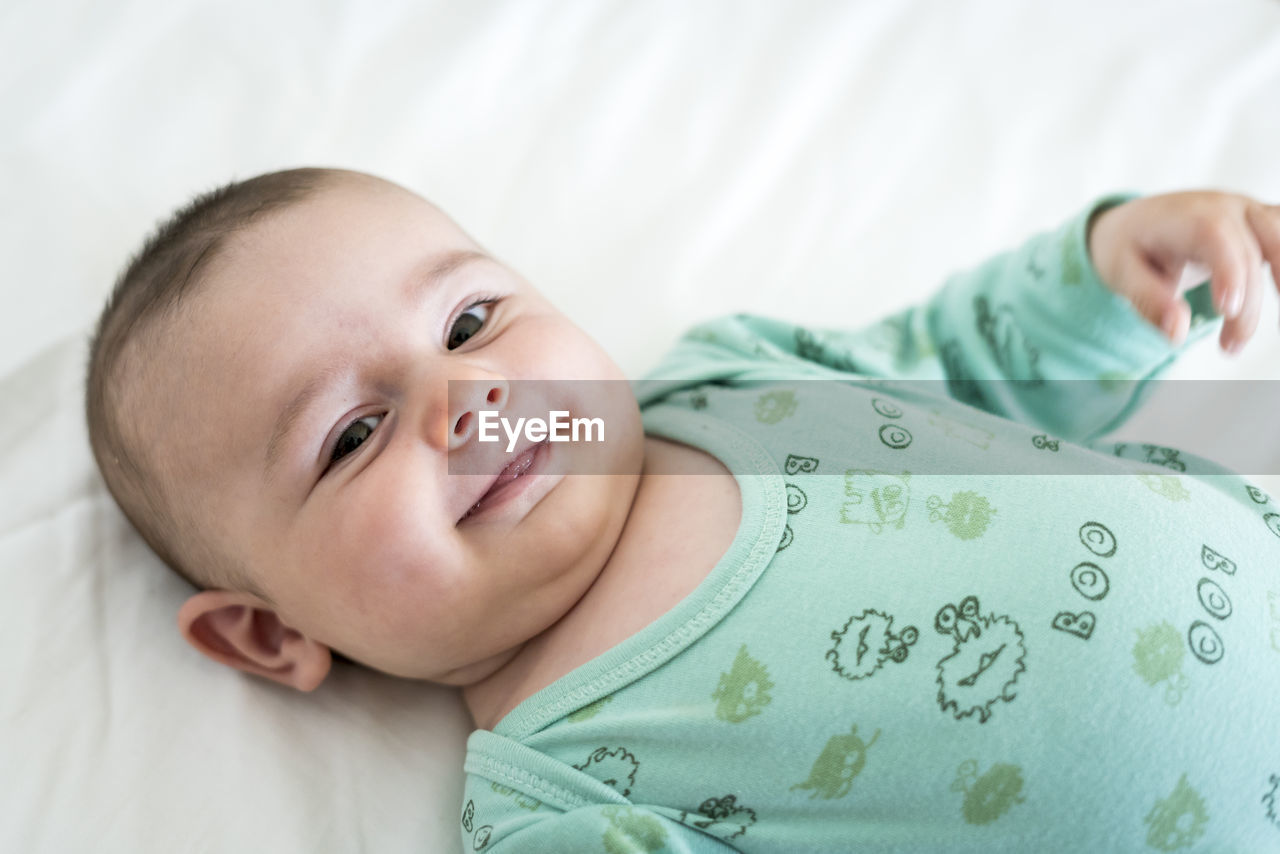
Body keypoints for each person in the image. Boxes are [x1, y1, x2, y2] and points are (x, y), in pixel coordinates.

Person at [86, 168, 1280, 851]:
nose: (471, 402)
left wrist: (1099, 276)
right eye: (350, 436)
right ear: (267, 630)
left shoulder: (730, 375)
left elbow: (953, 360)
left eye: (468, 323)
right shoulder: (557, 801)